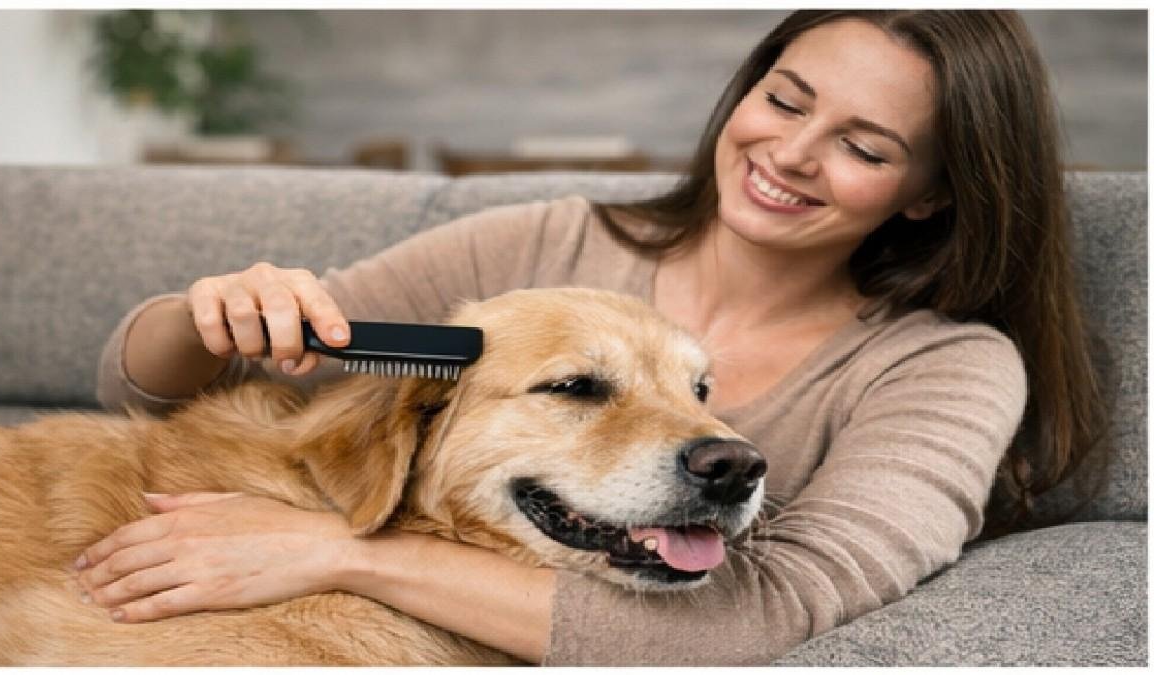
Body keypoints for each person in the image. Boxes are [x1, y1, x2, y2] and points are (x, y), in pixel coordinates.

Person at [79, 10, 1110, 665]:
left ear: (931, 192)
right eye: (784, 100)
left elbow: (765, 613)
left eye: (863, 147)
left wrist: (341, 554)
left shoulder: (944, 368)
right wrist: (211, 312)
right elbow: (162, 390)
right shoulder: (535, 245)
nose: (790, 153)